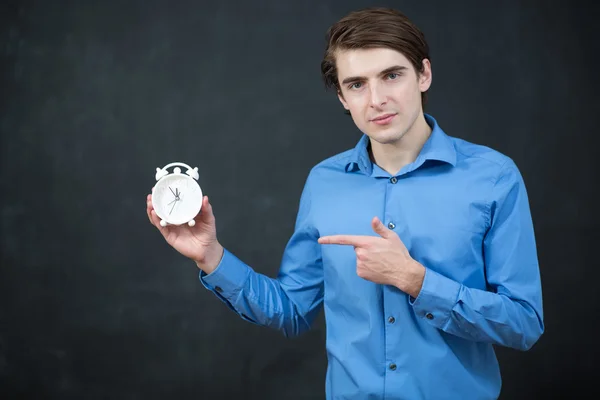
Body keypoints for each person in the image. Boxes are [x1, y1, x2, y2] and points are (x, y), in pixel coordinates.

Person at [146, 7, 544, 400]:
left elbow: (524, 322)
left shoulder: (493, 177)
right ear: (341, 97)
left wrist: (416, 281)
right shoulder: (324, 182)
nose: (376, 100)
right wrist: (211, 256)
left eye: (391, 76)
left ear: (423, 74)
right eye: (356, 84)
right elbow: (292, 310)